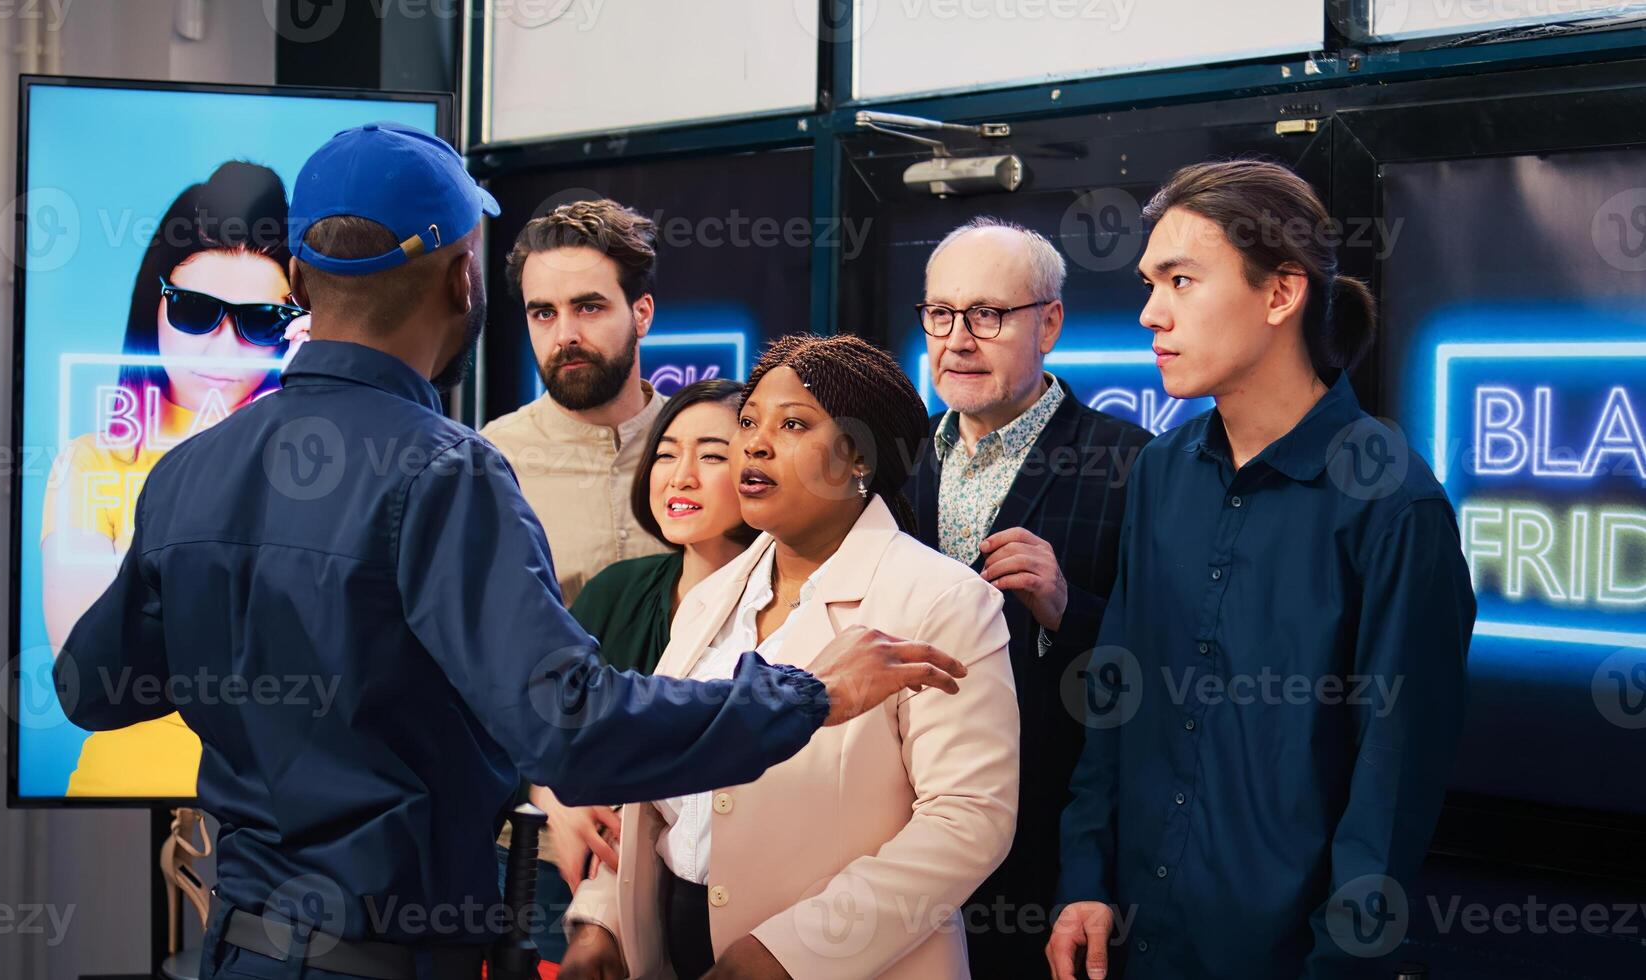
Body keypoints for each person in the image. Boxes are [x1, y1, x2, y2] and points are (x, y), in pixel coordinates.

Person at [53, 122, 971, 980]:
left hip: (238, 948)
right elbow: (568, 728)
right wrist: (810, 693)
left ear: (298, 276)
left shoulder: (192, 471)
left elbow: (92, 689)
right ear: (465, 280)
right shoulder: (445, 472)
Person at [1047, 160, 1474, 979]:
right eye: (1149, 282)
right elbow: (1117, 697)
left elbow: (1391, 790)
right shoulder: (1163, 473)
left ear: (1281, 294)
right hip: (1133, 942)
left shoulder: (1392, 506)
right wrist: (1085, 880)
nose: (1150, 312)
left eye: (1180, 280)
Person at [562, 334, 1021, 980]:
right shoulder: (711, 597)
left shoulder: (942, 600)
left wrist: (788, 954)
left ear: (858, 454)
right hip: (674, 950)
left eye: (793, 423)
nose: (754, 442)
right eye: (749, 421)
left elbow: (969, 822)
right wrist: (601, 921)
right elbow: (658, 791)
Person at [902, 217, 1152, 975]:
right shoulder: (898, 460)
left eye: (987, 315)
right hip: (903, 839)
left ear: (1050, 323)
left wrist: (1066, 609)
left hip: (1050, 846)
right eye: (941, 314)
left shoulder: (1132, 463)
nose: (958, 339)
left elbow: (1172, 668)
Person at [41, 160, 309, 798]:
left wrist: (308, 404)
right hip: (122, 796)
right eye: (194, 311)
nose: (221, 350)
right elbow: (94, 676)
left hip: (283, 818)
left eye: (261, 321)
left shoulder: (316, 461)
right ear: (152, 304)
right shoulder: (93, 463)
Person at [519, 379, 760, 961]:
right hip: (584, 897)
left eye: (711, 455)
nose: (680, 476)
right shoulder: (614, 592)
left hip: (733, 912)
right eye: (666, 453)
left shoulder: (785, 609)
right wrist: (552, 794)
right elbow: (533, 726)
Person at [482, 199, 670, 605]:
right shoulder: (493, 461)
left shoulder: (707, 442)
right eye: (544, 314)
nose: (565, 335)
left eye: (588, 307)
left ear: (642, 314)